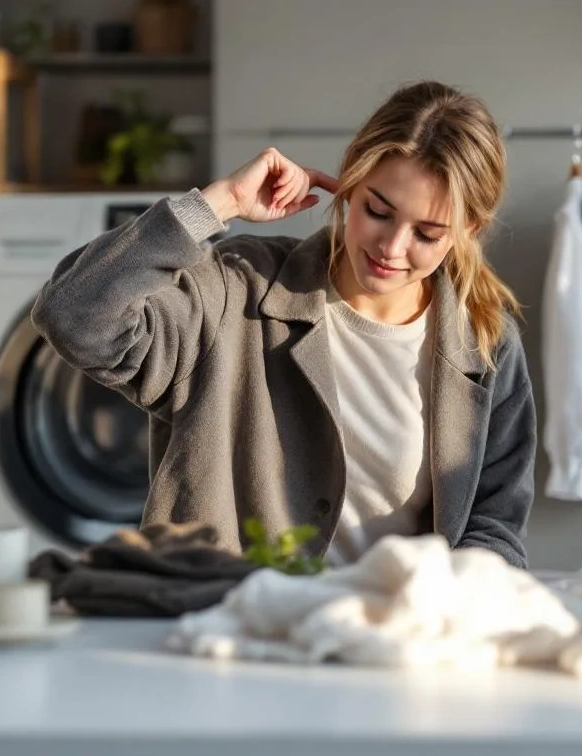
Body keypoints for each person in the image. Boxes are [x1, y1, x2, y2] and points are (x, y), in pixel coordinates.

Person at [31, 80, 536, 568]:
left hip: (392, 638)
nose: (392, 248)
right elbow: (74, 317)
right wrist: (216, 204)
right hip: (231, 634)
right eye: (378, 211)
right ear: (350, 179)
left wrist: (456, 605)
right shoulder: (239, 291)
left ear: (468, 230)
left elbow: (495, 524)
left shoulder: (486, 343)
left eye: (428, 233)